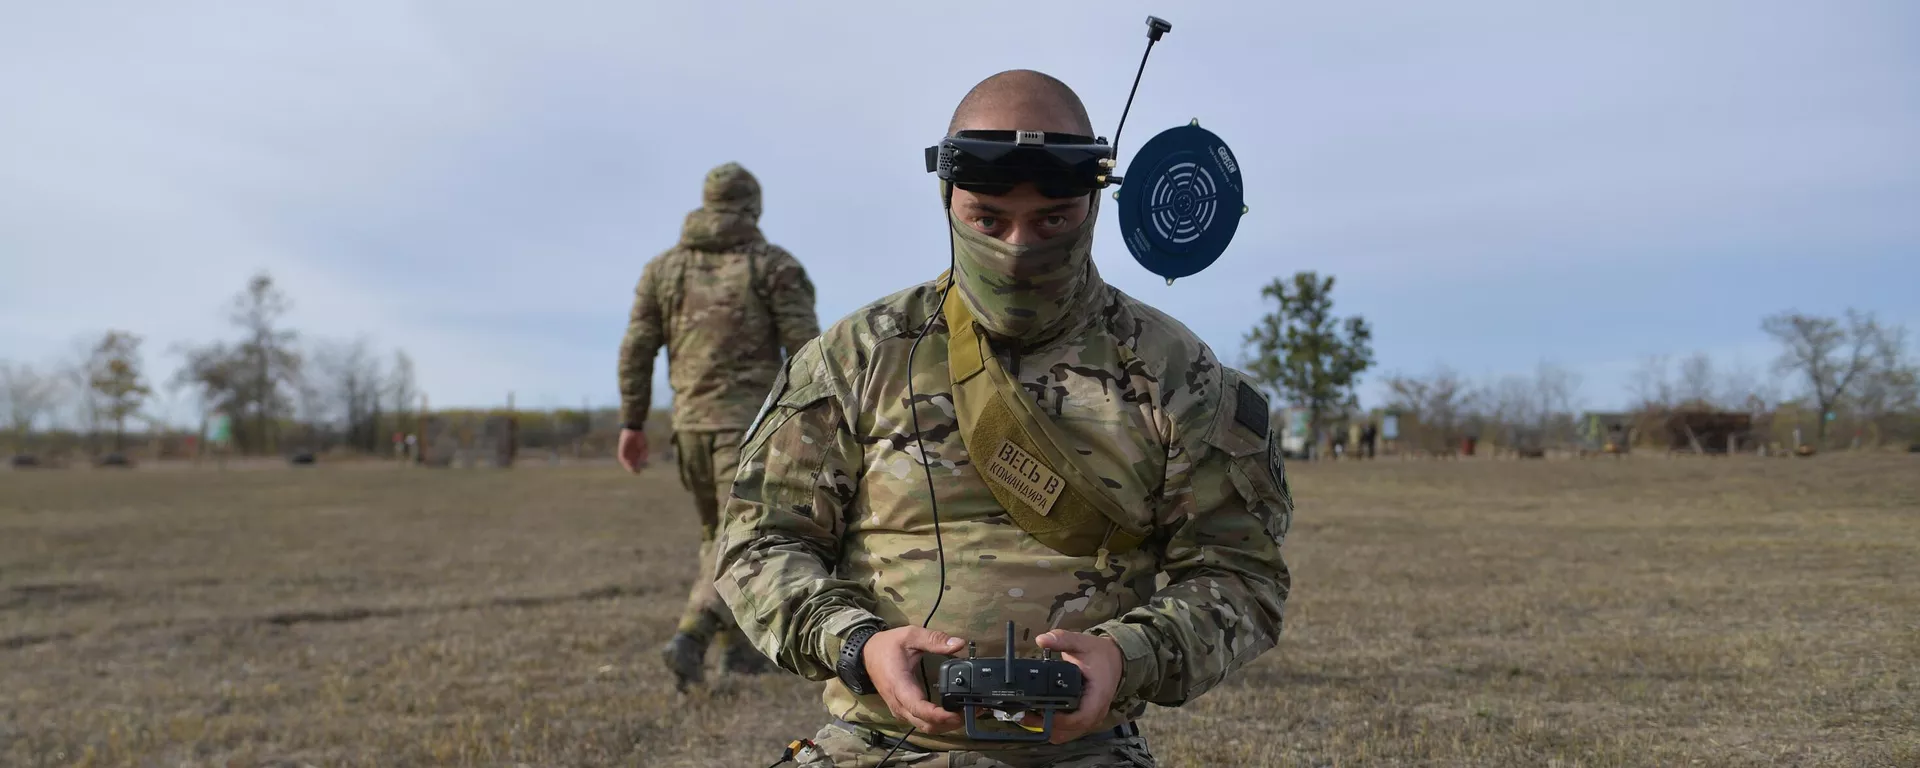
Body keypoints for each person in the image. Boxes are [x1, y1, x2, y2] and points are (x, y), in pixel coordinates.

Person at [713, 70, 1293, 766]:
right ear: (948, 202)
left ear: (1094, 204)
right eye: (989, 219)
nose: (1019, 247)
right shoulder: (859, 357)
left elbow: (1240, 575)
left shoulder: (1174, 372)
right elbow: (759, 543)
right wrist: (858, 643)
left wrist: (1125, 656)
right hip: (877, 743)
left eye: (1052, 219)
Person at [617, 161, 820, 690]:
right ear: (753, 207)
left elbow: (637, 347)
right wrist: (817, 420)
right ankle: (693, 634)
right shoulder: (773, 266)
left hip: (688, 428)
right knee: (737, 540)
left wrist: (632, 422)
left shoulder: (664, 269)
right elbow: (808, 352)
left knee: (717, 534)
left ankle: (740, 652)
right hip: (749, 426)